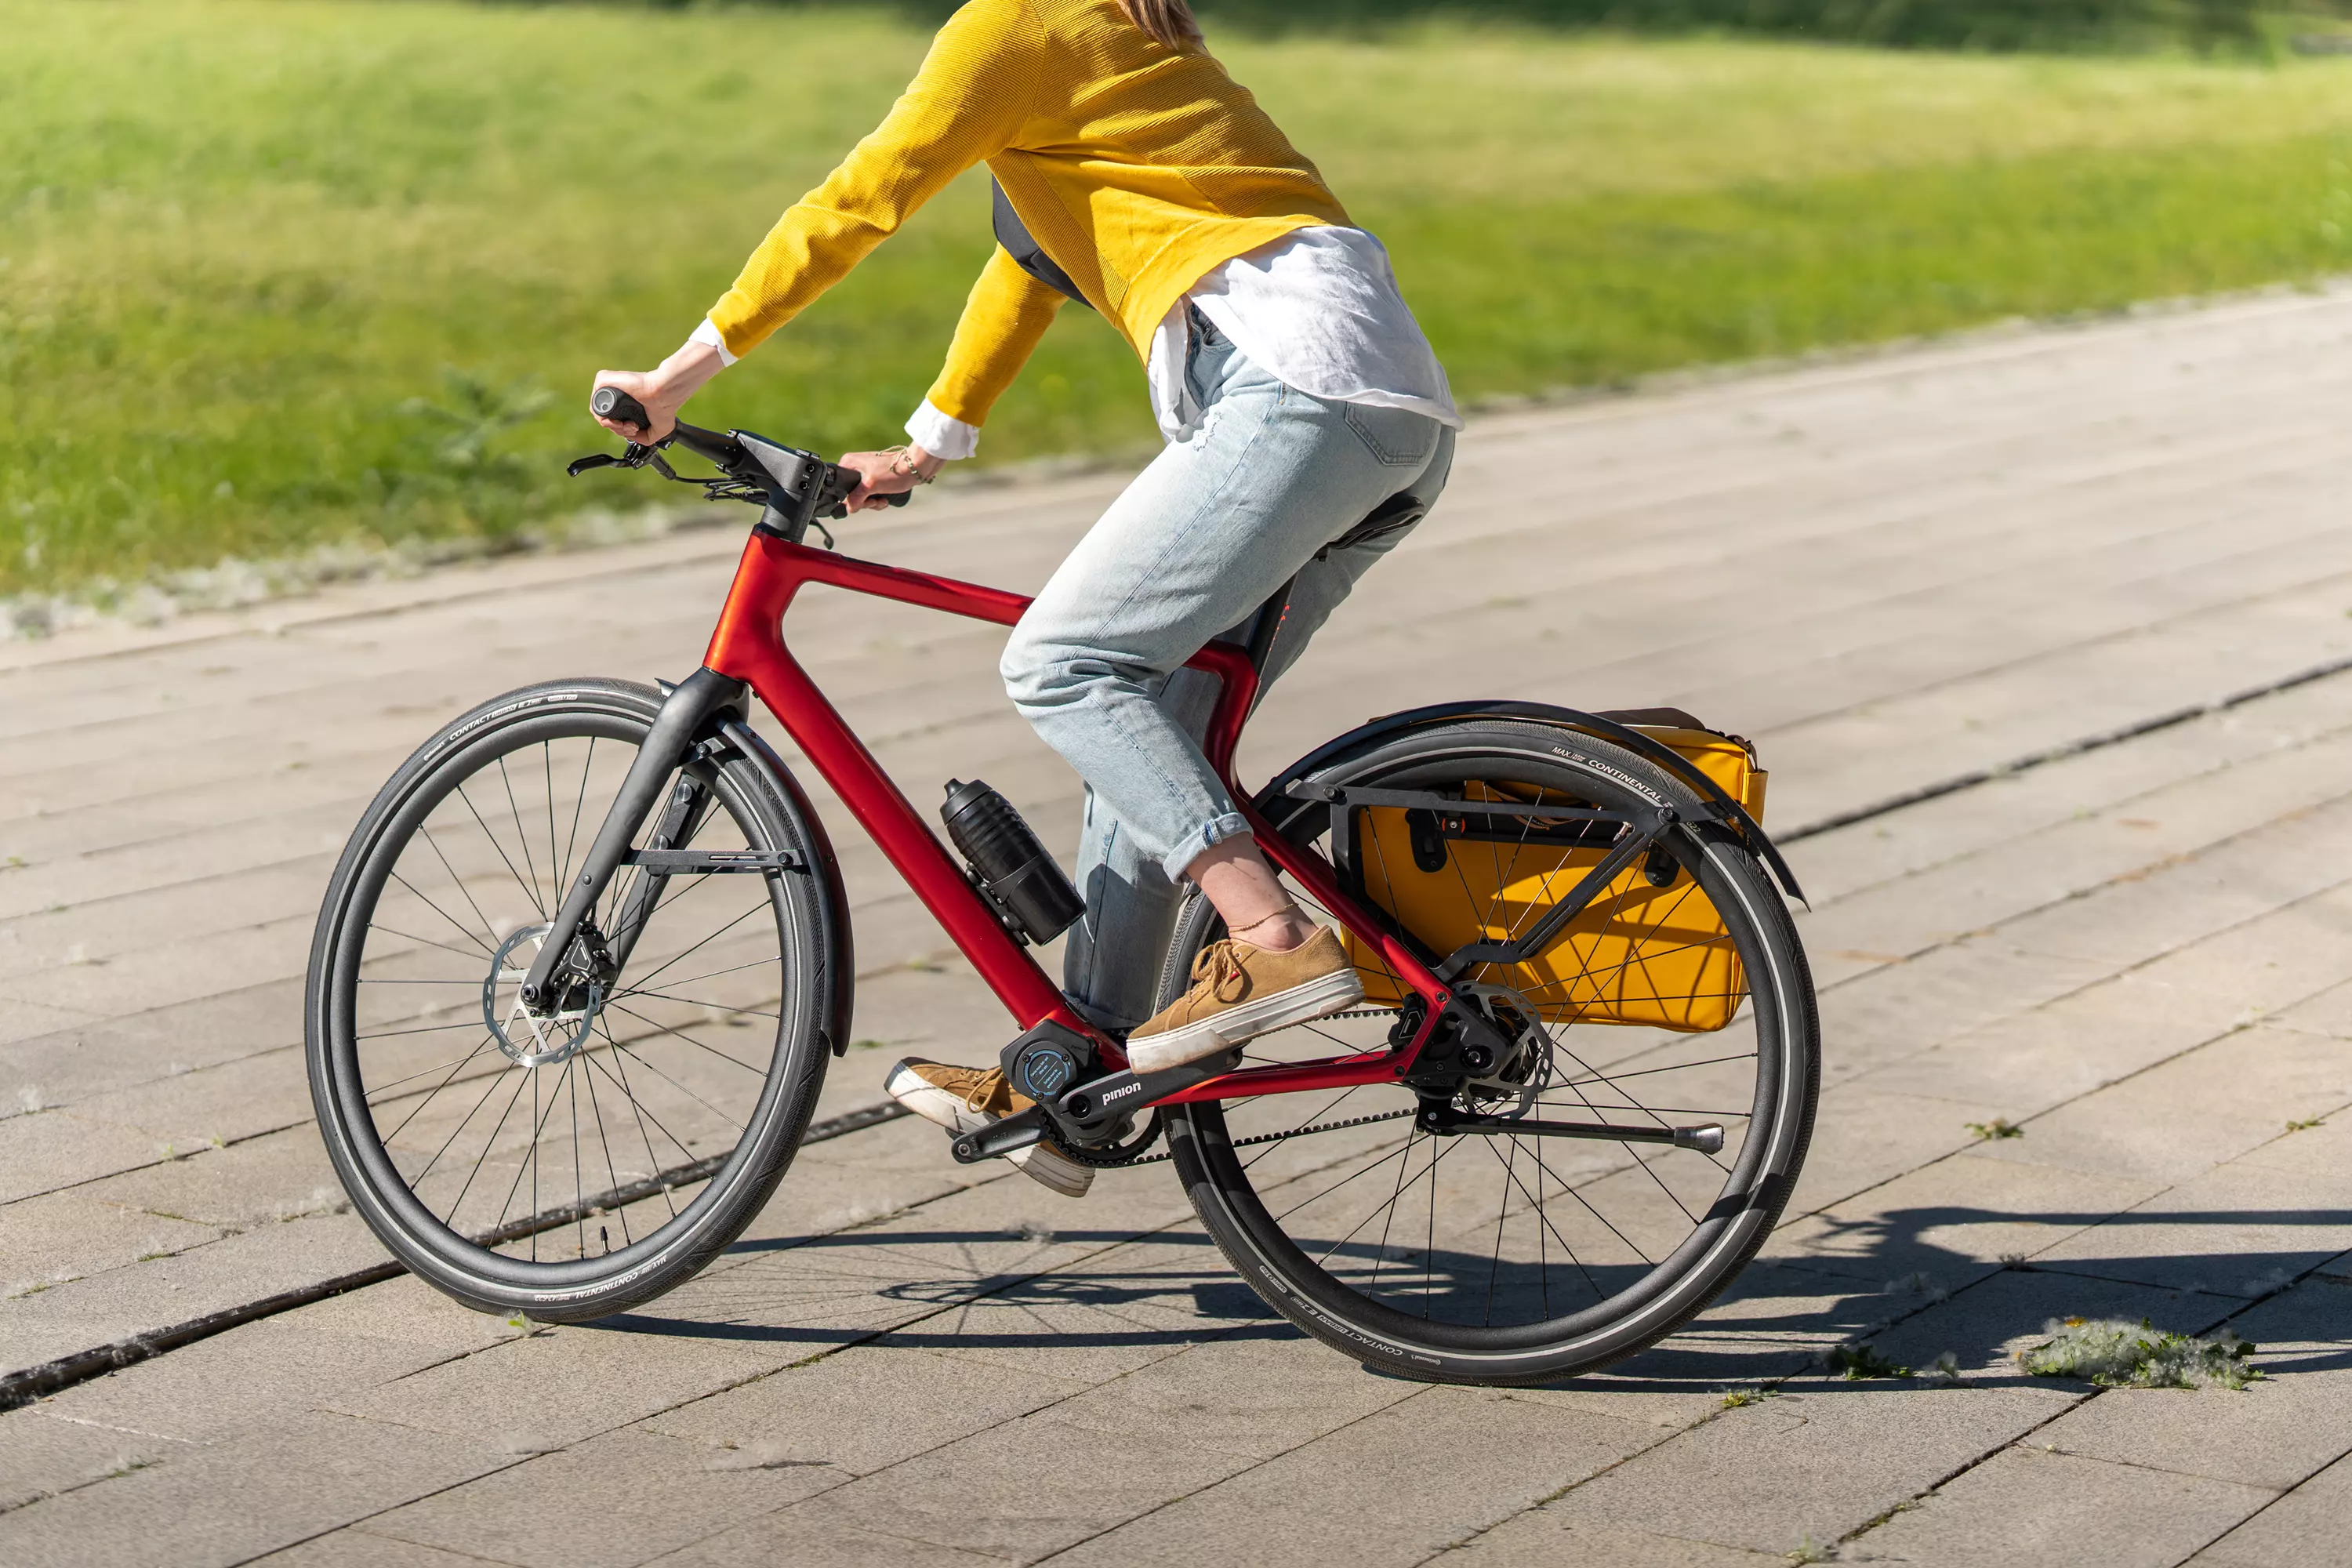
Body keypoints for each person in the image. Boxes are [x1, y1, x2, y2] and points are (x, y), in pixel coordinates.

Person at [592, 0, 1458, 1198]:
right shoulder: (1107, 31)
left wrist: (675, 375)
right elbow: (1031, 262)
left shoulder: (1013, 21)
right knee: (1150, 722)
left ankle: (1273, 941)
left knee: (1064, 664)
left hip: (1291, 386)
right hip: (1383, 406)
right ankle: (1081, 1075)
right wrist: (929, 445)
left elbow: (861, 199)